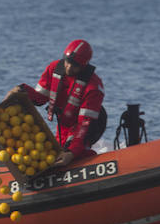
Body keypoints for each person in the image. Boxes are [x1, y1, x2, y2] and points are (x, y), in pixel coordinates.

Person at [7, 39, 106, 168]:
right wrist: (22, 91)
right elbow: (40, 98)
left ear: (84, 66)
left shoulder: (93, 88)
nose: (69, 67)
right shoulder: (54, 69)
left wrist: (71, 153)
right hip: (63, 125)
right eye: (68, 62)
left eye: (75, 65)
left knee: (73, 155)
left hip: (85, 127)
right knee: (54, 154)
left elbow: (84, 126)